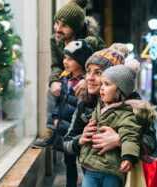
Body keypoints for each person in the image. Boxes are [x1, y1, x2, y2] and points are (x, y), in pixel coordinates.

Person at [32, 0, 106, 147]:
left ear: (76, 28)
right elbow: (56, 65)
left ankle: (91, 133)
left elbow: (105, 67)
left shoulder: (93, 41)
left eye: (64, 25)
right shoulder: (55, 39)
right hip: (69, 77)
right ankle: (52, 130)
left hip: (90, 81)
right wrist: (54, 81)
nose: (58, 29)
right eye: (56, 23)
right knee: (51, 88)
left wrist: (87, 79)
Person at [38, 39, 94, 187]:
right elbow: (60, 102)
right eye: (64, 58)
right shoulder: (64, 79)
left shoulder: (86, 84)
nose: (65, 62)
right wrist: (56, 117)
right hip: (65, 132)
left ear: (81, 61)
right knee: (69, 164)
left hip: (80, 132)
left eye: (70, 59)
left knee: (84, 163)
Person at [79, 63, 145, 186]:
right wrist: (82, 139)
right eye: (102, 84)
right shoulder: (100, 107)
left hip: (112, 169)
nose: (102, 88)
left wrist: (128, 157)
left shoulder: (127, 113)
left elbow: (130, 135)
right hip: (91, 167)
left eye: (107, 84)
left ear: (119, 90)